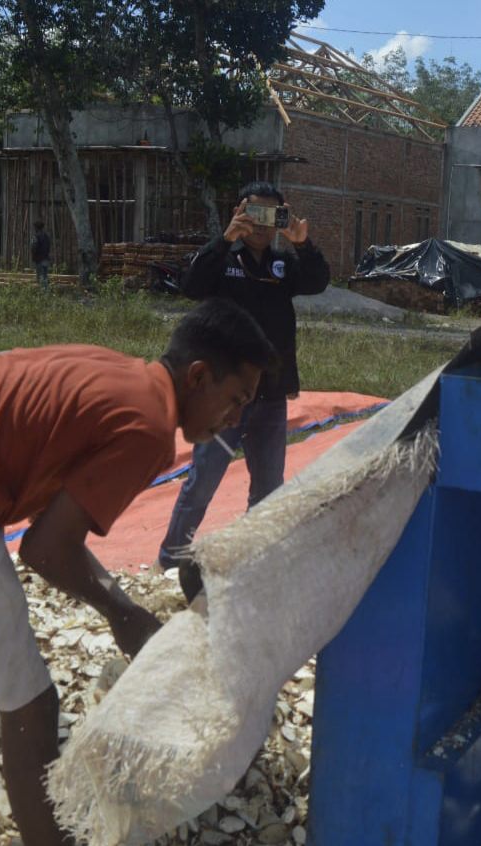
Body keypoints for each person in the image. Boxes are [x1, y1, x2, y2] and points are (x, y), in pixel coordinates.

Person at [0, 299, 278, 846]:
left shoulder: (125, 375)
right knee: (34, 704)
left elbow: (48, 530)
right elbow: (46, 550)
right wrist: (123, 613)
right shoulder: (147, 429)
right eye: (236, 400)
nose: (235, 420)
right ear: (197, 377)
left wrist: (120, 604)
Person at [157, 181, 331, 601]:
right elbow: (191, 285)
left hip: (270, 396)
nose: (263, 225)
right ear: (240, 212)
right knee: (202, 482)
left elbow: (318, 281)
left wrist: (302, 244)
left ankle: (255, 563)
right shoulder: (224, 259)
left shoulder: (282, 266)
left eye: (273, 216)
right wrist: (224, 239)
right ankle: (170, 562)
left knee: (268, 487)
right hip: (221, 399)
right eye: (256, 214)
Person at [31, 221, 52, 291]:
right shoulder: (46, 236)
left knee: (40, 277)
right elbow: (48, 247)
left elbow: (34, 247)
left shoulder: (36, 236)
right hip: (46, 258)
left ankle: (43, 292)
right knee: (45, 276)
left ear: (36, 228)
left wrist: (34, 256)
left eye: (35, 227)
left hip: (39, 259)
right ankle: (46, 291)